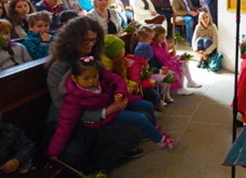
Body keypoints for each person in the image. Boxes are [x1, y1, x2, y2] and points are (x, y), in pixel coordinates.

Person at [45, 16, 143, 173]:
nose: (91, 44)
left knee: (135, 131)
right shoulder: (59, 67)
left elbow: (111, 82)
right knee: (75, 152)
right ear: (73, 40)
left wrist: (119, 95)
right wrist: (103, 113)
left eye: (94, 40)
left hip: (98, 109)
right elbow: (62, 106)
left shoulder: (92, 59)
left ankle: (103, 160)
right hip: (69, 120)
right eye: (86, 41)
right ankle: (95, 169)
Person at [46, 56, 175, 159]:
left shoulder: (95, 74)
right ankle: (160, 140)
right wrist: (54, 152)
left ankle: (152, 130)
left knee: (146, 105)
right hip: (102, 117)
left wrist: (119, 94)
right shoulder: (72, 97)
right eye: (86, 79)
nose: (92, 81)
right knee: (140, 118)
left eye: (94, 77)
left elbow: (118, 81)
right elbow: (65, 124)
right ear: (74, 78)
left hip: (111, 104)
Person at [150, 25, 199, 97]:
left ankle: (190, 81)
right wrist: (168, 48)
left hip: (168, 60)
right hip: (163, 63)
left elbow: (167, 54)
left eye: (164, 36)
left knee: (183, 61)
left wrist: (171, 49)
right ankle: (181, 88)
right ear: (155, 37)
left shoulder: (161, 43)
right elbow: (162, 57)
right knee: (179, 65)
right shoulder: (154, 46)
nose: (164, 39)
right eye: (161, 37)